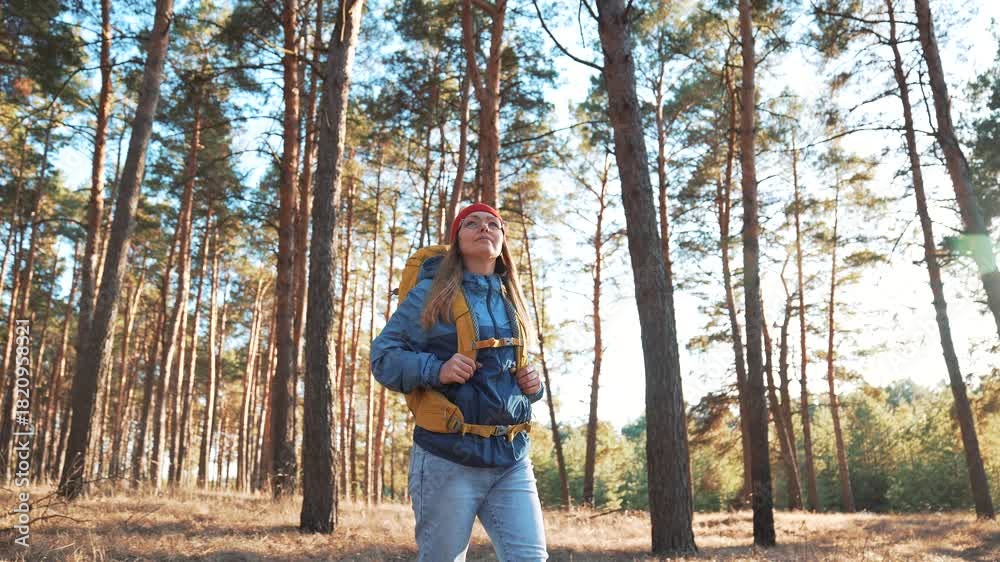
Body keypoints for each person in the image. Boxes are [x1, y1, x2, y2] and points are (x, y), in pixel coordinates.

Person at [371, 202, 549, 561]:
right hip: (447, 457)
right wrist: (435, 369)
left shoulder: (512, 298)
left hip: (511, 458)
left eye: (493, 224)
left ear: (502, 240)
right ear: (457, 240)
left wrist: (534, 386)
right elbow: (383, 357)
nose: (484, 228)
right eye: (472, 223)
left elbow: (511, 372)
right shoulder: (430, 294)